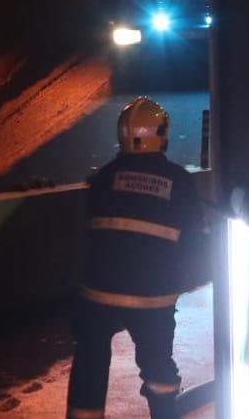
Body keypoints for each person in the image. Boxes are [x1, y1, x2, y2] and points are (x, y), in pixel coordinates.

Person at [66, 97, 200, 419]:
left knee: (90, 359)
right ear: (162, 133)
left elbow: (90, 230)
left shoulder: (103, 178)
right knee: (157, 365)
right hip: (153, 298)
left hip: (99, 291)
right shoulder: (180, 181)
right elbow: (195, 240)